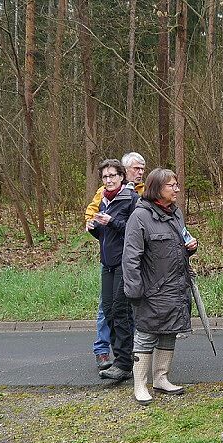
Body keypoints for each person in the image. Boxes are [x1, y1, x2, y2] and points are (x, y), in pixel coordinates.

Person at [122, 168, 197, 405]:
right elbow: (130, 257)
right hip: (151, 290)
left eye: (176, 184)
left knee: (169, 332)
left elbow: (181, 242)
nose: (176, 189)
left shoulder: (176, 214)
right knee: (145, 336)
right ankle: (140, 385)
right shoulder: (139, 217)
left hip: (175, 287)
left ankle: (161, 379)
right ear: (156, 189)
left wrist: (190, 247)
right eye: (171, 185)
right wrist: (134, 291)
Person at [85, 152, 146, 370]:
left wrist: (111, 222)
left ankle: (124, 362)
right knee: (109, 312)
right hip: (107, 263)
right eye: (105, 177)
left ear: (122, 177)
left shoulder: (132, 199)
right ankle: (117, 357)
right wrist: (94, 228)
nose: (109, 180)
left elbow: (134, 231)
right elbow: (105, 236)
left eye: (112, 175)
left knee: (121, 312)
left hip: (125, 263)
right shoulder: (103, 200)